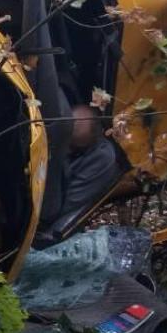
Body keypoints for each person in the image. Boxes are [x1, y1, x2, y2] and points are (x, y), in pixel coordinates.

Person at [34, 104, 126, 246]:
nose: (68, 148)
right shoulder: (52, 113)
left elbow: (68, 204)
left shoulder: (100, 159)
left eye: (72, 146)